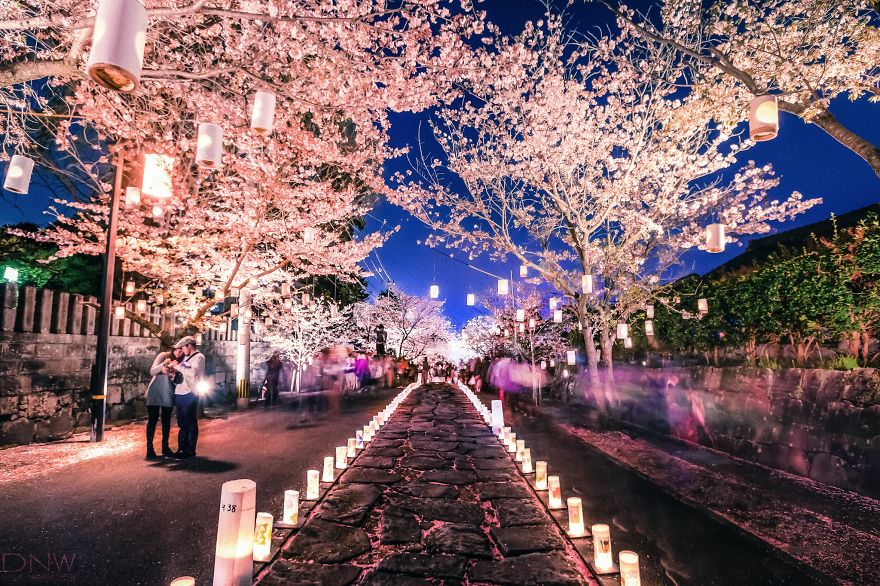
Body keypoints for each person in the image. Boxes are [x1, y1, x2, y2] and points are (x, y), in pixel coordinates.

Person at [172, 336, 205, 459]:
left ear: (189, 346)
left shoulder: (199, 357)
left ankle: (190, 449)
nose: (182, 350)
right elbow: (184, 371)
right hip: (180, 391)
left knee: (189, 421)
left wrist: (178, 366)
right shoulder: (186, 357)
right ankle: (182, 448)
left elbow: (192, 373)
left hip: (190, 392)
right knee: (181, 422)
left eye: (183, 348)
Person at [145, 347, 182, 459]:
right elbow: (152, 371)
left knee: (166, 421)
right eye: (176, 350)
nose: (178, 353)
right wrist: (164, 365)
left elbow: (179, 381)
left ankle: (165, 447)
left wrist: (174, 373)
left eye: (181, 351)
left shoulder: (182, 362)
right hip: (155, 391)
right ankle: (149, 450)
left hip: (169, 392)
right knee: (152, 420)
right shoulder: (163, 355)